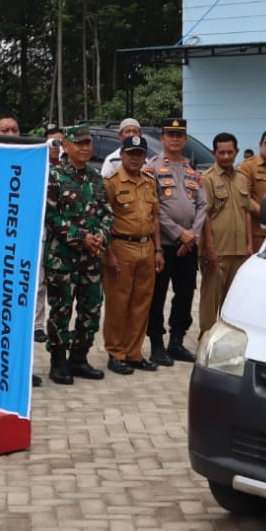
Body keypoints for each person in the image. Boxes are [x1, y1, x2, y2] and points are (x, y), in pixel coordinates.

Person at [43, 125, 110, 385]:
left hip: (92, 258)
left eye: (88, 143)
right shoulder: (55, 177)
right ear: (66, 146)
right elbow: (50, 216)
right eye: (79, 143)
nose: (85, 148)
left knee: (90, 309)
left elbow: (106, 212)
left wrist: (100, 238)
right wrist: (82, 237)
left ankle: (80, 358)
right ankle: (58, 362)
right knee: (61, 309)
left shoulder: (95, 177)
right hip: (62, 258)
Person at [101, 134, 163, 374]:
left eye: (140, 154)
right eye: (131, 154)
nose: (136, 159)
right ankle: (116, 353)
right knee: (119, 304)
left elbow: (154, 217)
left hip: (146, 247)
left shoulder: (149, 182)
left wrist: (158, 249)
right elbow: (104, 220)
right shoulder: (112, 182)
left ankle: (134, 353)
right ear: (123, 155)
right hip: (121, 247)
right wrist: (109, 254)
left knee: (141, 303)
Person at [146, 118, 205, 365]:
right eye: (170, 134)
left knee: (185, 294)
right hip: (165, 245)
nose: (175, 139)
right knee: (157, 295)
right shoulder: (152, 168)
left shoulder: (192, 170)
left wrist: (194, 234)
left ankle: (177, 341)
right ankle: (157, 345)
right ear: (162, 138)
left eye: (179, 135)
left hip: (189, 246)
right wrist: (179, 233)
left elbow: (203, 204)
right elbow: (154, 208)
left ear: (184, 139)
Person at [198, 132, 250, 337]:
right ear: (214, 153)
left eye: (230, 152)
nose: (226, 156)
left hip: (239, 251)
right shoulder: (207, 179)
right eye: (222, 152)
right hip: (217, 251)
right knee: (211, 300)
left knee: (233, 301)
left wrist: (249, 246)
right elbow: (205, 215)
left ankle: (226, 339)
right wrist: (210, 248)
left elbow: (245, 211)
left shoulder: (242, 179)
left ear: (236, 152)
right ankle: (207, 336)